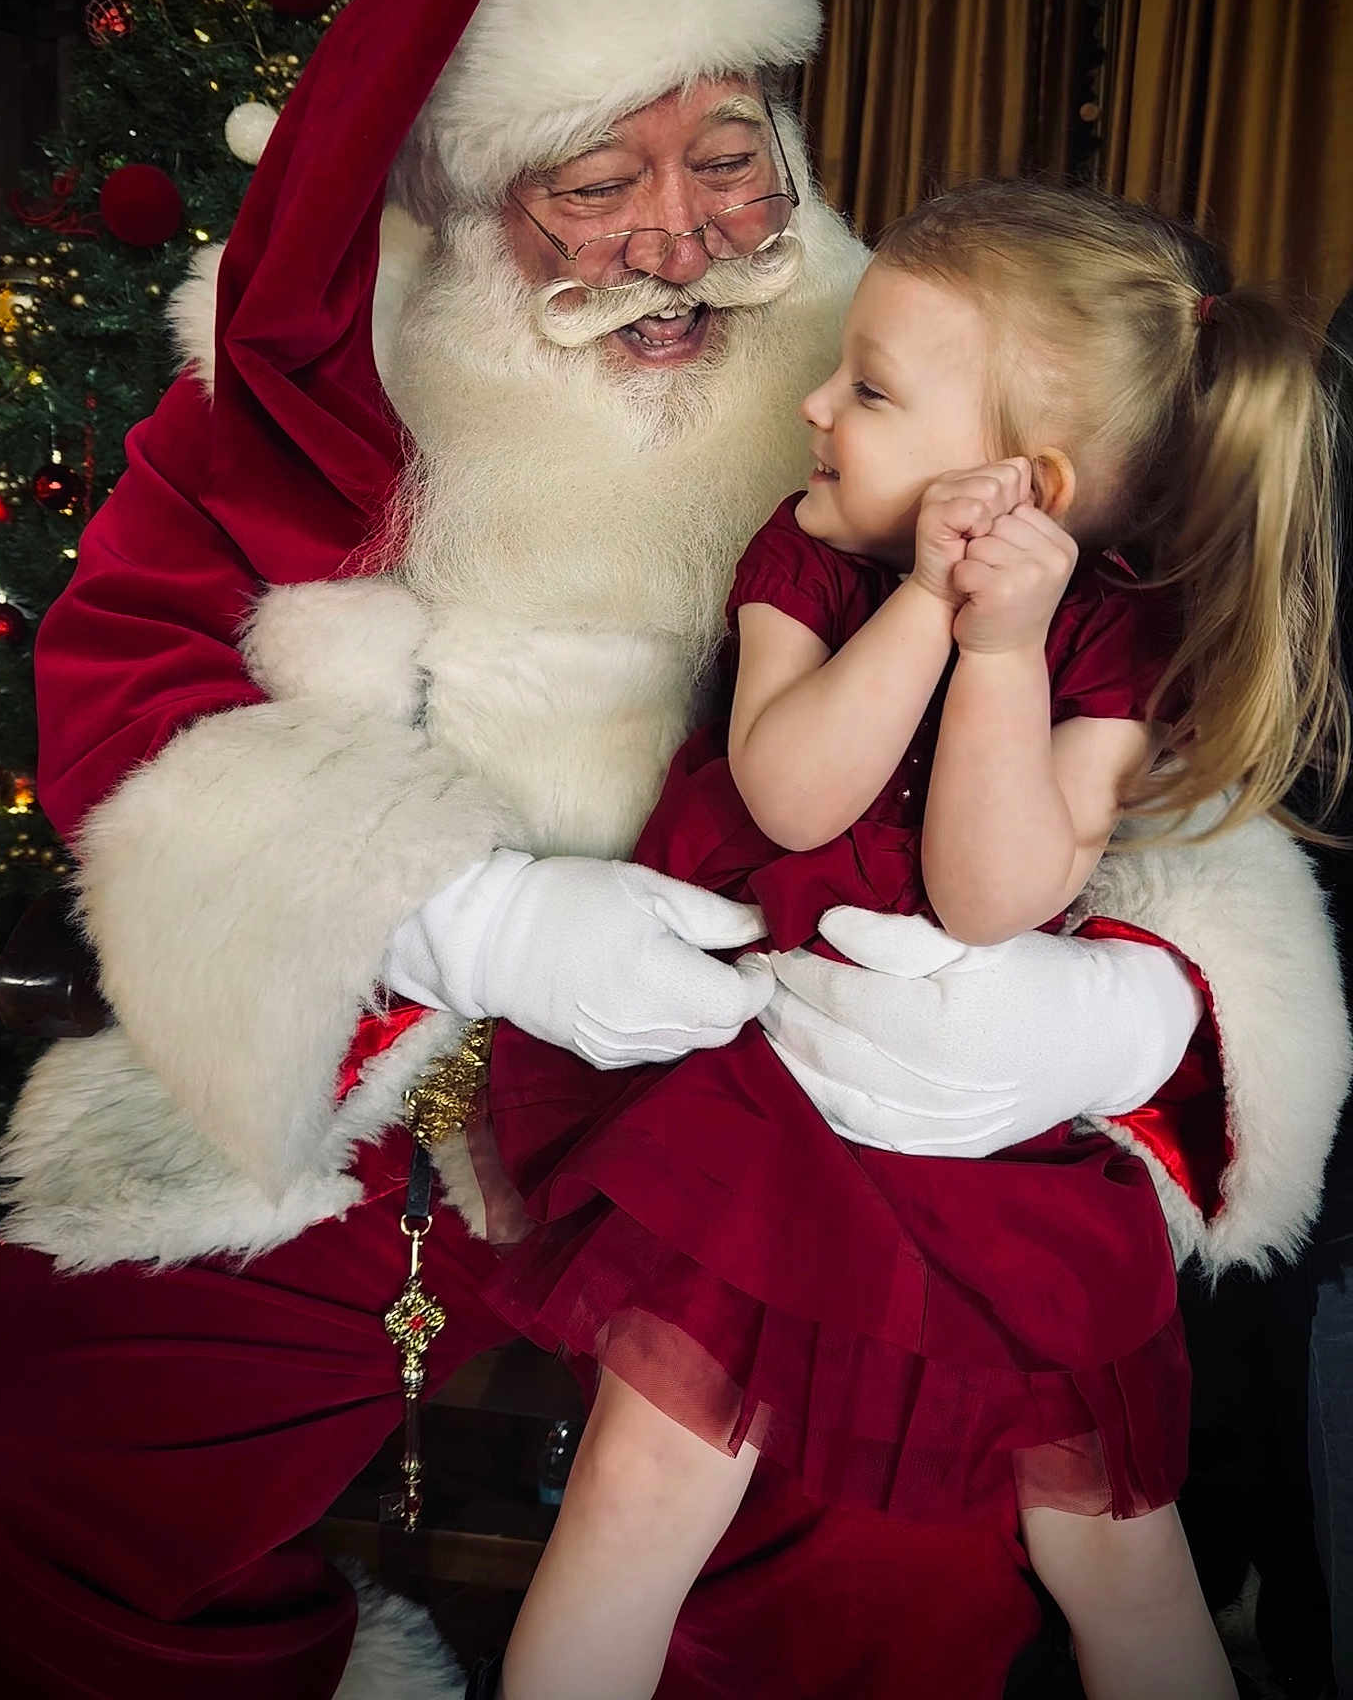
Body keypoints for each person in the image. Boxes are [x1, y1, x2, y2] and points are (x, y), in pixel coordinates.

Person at [0, 0, 1346, 1700]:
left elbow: (1148, 696)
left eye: (733, 156)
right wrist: (474, 923)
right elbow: (132, 701)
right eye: (599, 178)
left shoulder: (918, 358)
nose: (683, 236)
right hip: (392, 1116)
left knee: (900, 1569)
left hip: (807, 1124)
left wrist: (1123, 1013)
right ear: (462, 184)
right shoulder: (297, 392)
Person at [478, 180, 1350, 1700]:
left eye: (870, 386)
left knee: (1122, 1558)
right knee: (637, 1496)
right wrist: (927, 613)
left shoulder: (1114, 643)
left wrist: (1003, 650)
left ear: (1029, 484)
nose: (814, 401)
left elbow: (988, 898)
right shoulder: (809, 557)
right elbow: (790, 790)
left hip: (987, 1162)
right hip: (762, 1129)